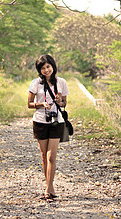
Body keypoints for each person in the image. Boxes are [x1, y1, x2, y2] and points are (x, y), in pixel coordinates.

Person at [28, 54, 69, 202]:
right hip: (40, 121)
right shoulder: (35, 83)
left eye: (48, 67)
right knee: (44, 157)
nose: (46, 70)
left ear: (53, 66)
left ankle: (48, 189)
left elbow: (65, 103)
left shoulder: (62, 82)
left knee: (52, 156)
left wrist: (60, 101)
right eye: (43, 68)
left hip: (56, 121)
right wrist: (41, 104)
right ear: (39, 70)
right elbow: (29, 104)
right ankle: (50, 187)